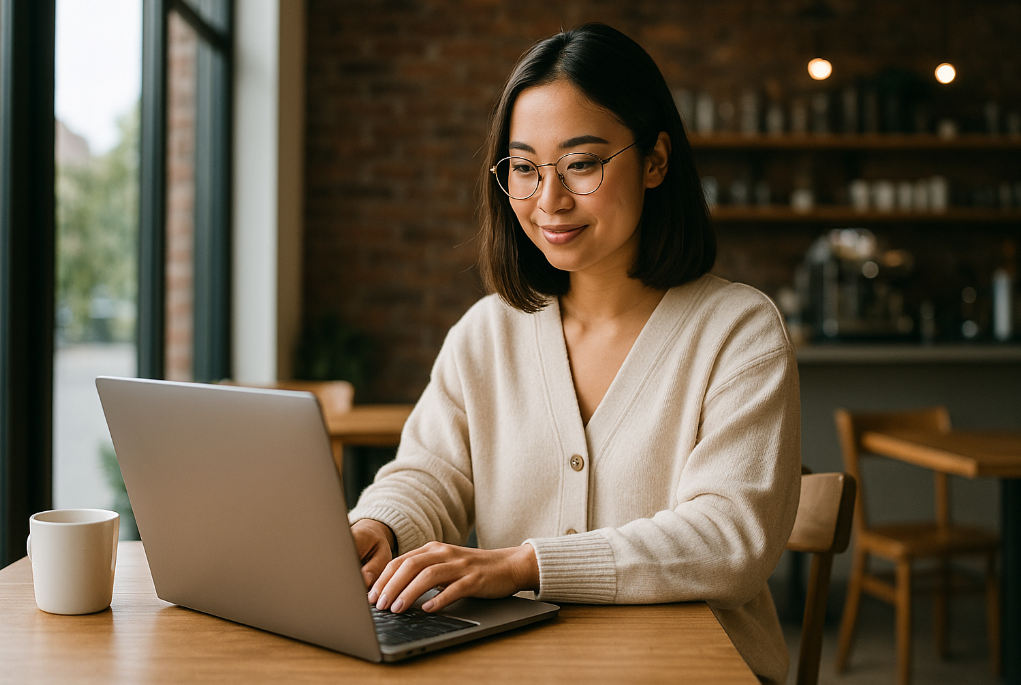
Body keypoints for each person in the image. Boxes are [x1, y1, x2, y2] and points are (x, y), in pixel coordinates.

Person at [347, 22, 800, 685]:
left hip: (695, 670)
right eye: (525, 168)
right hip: (525, 667)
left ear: (655, 161)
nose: (549, 201)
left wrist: (523, 564)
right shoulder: (487, 331)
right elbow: (430, 473)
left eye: (582, 164)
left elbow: (729, 539)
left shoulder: (738, 330)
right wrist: (380, 525)